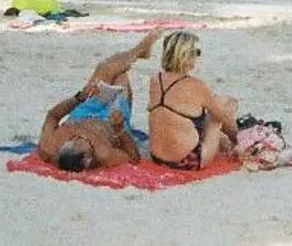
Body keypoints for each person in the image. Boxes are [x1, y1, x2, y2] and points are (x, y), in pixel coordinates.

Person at [39, 32, 159, 173]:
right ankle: (140, 51)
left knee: (106, 67)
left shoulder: (49, 147)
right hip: (112, 120)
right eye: (84, 142)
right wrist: (119, 129)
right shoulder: (104, 154)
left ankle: (139, 50)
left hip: (83, 112)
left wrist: (78, 98)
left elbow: (52, 116)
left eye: (75, 139)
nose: (81, 136)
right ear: (88, 159)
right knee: (120, 75)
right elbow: (133, 157)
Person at [147, 31, 239, 170]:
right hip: (188, 161)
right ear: (185, 56)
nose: (197, 57)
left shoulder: (155, 80)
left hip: (157, 158)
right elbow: (222, 118)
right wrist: (235, 134)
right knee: (225, 104)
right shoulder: (196, 85)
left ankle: (227, 140)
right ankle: (239, 142)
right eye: (196, 52)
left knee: (197, 115)